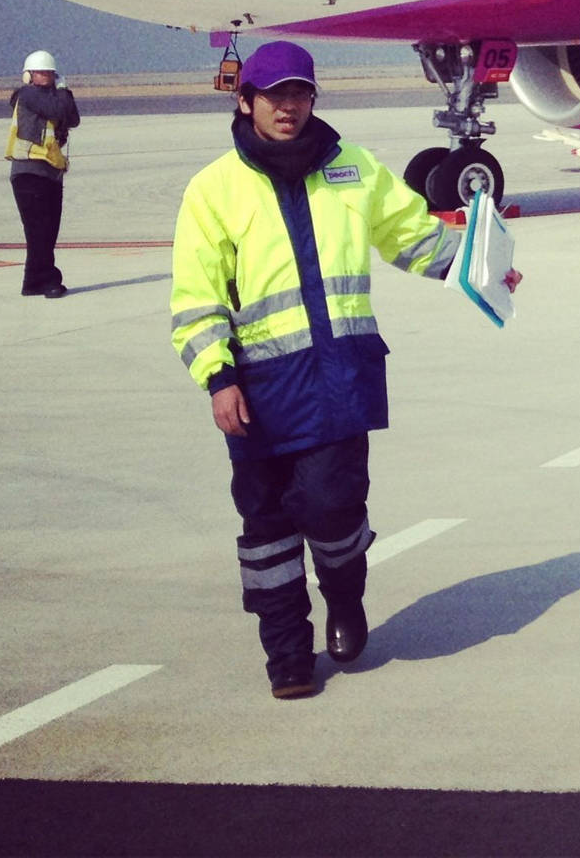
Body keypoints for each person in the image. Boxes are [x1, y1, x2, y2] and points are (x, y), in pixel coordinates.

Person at [169, 40, 517, 700]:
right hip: (258, 391)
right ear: (246, 102)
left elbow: (412, 234)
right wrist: (217, 376)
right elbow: (196, 296)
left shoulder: (351, 168)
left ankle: (345, 597)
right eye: (274, 96)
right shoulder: (214, 189)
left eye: (300, 94)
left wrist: (479, 266)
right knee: (267, 527)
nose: (289, 107)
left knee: (332, 509)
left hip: (337, 379)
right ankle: (287, 655)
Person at [5, 49, 79, 298]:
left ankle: (32, 282)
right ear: (29, 75)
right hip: (28, 172)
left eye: (49, 72)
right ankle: (48, 281)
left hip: (50, 172)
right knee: (39, 230)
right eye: (40, 72)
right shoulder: (27, 95)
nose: (45, 76)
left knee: (48, 230)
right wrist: (64, 93)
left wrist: (64, 91)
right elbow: (59, 112)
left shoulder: (57, 96)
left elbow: (74, 118)